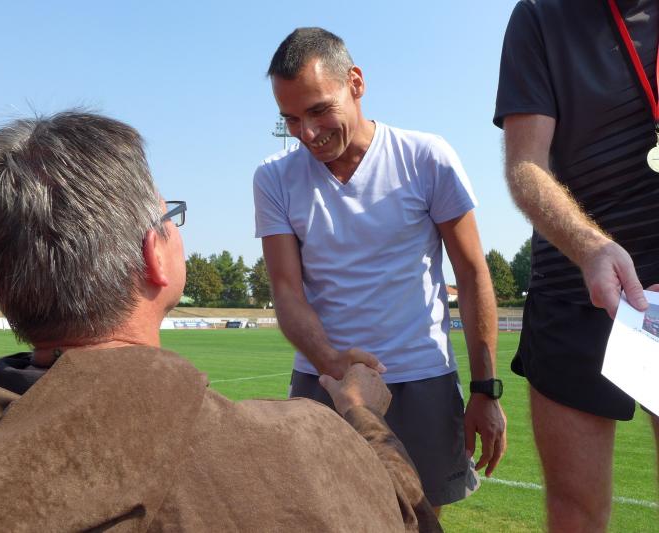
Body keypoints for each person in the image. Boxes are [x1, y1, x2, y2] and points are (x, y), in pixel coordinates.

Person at [0, 111, 441, 532]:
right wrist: (363, 418)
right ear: (153, 257)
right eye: (169, 217)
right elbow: (405, 514)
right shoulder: (297, 447)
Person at [253, 27, 506, 512]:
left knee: (421, 516)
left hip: (420, 377)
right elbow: (286, 292)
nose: (307, 134)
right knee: (320, 517)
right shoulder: (273, 177)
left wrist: (485, 389)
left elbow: (473, 274)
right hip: (323, 379)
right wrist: (333, 365)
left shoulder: (426, 157)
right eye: (291, 119)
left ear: (356, 83)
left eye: (319, 110)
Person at [495, 1, 659, 531]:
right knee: (574, 514)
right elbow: (525, 163)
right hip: (574, 279)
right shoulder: (541, 14)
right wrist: (589, 247)